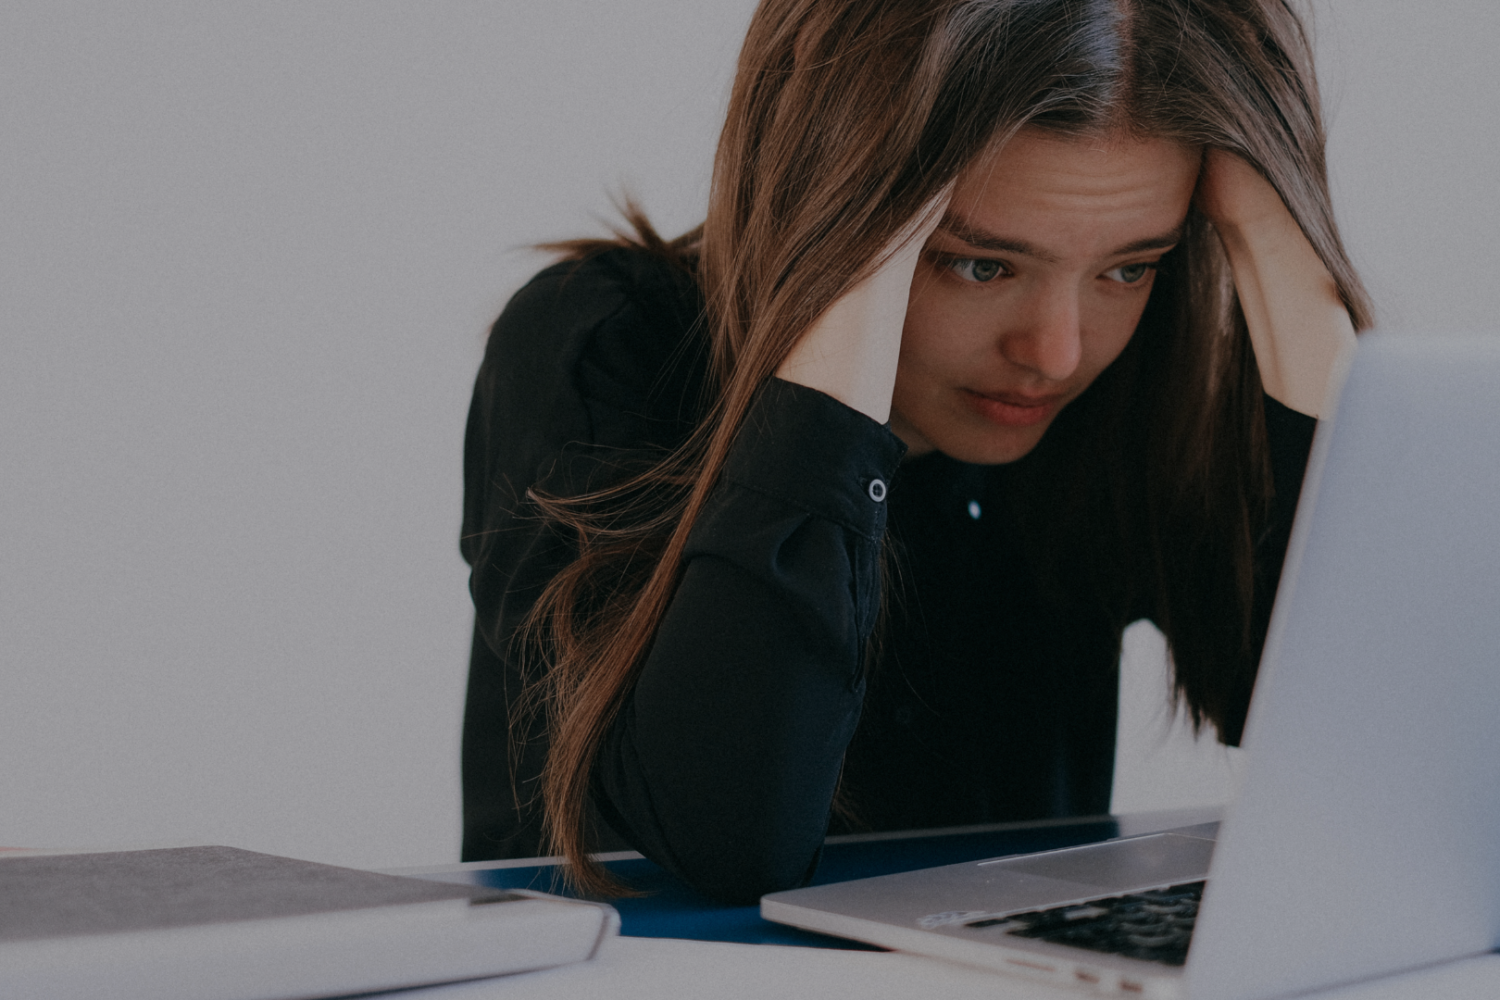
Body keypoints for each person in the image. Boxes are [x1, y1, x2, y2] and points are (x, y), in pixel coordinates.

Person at [460, 0, 1371, 904]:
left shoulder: (1126, 388)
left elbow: (1379, 759)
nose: (1056, 353)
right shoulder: (603, 346)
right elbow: (727, 839)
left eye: (1128, 267)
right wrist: (843, 292)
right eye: (979, 264)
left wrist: (1292, 259)